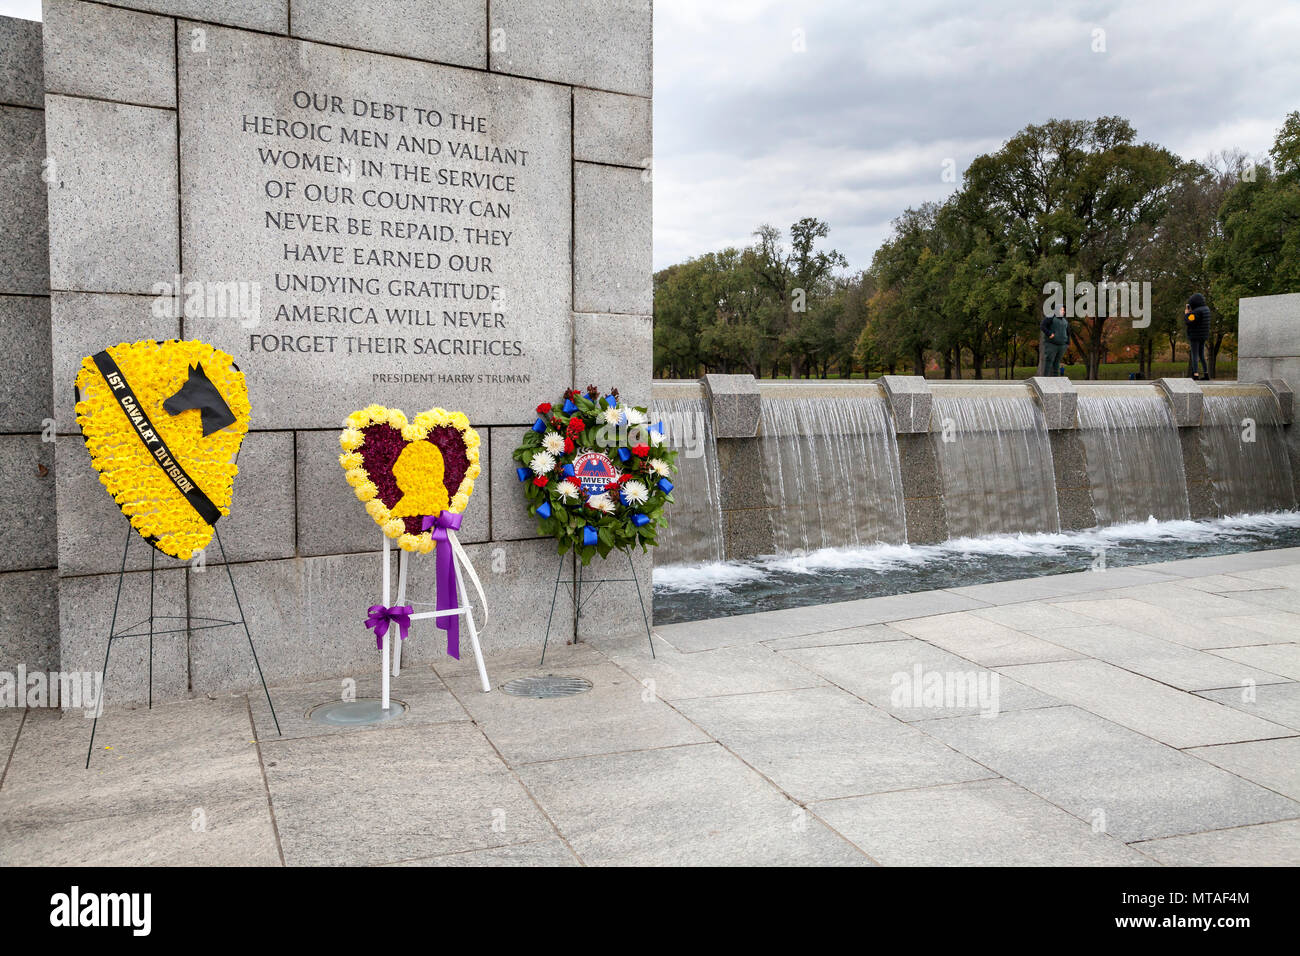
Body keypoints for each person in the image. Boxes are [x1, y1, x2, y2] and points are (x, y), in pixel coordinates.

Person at [1185, 293, 1211, 380]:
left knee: (1195, 355)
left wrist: (1186, 314)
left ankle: (1195, 374)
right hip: (1203, 335)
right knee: (1202, 355)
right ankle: (1206, 374)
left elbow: (1189, 321)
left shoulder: (1197, 312)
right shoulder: (1206, 309)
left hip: (1195, 336)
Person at [1040, 305, 1070, 377]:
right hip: (1051, 344)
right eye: (1062, 310)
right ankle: (1045, 378)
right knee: (1049, 360)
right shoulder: (1050, 317)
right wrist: (1049, 333)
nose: (1063, 312)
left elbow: (1068, 332)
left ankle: (1056, 378)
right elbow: (1042, 326)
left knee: (1057, 361)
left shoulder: (1065, 321)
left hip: (1062, 345)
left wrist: (1067, 343)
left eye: (1063, 310)